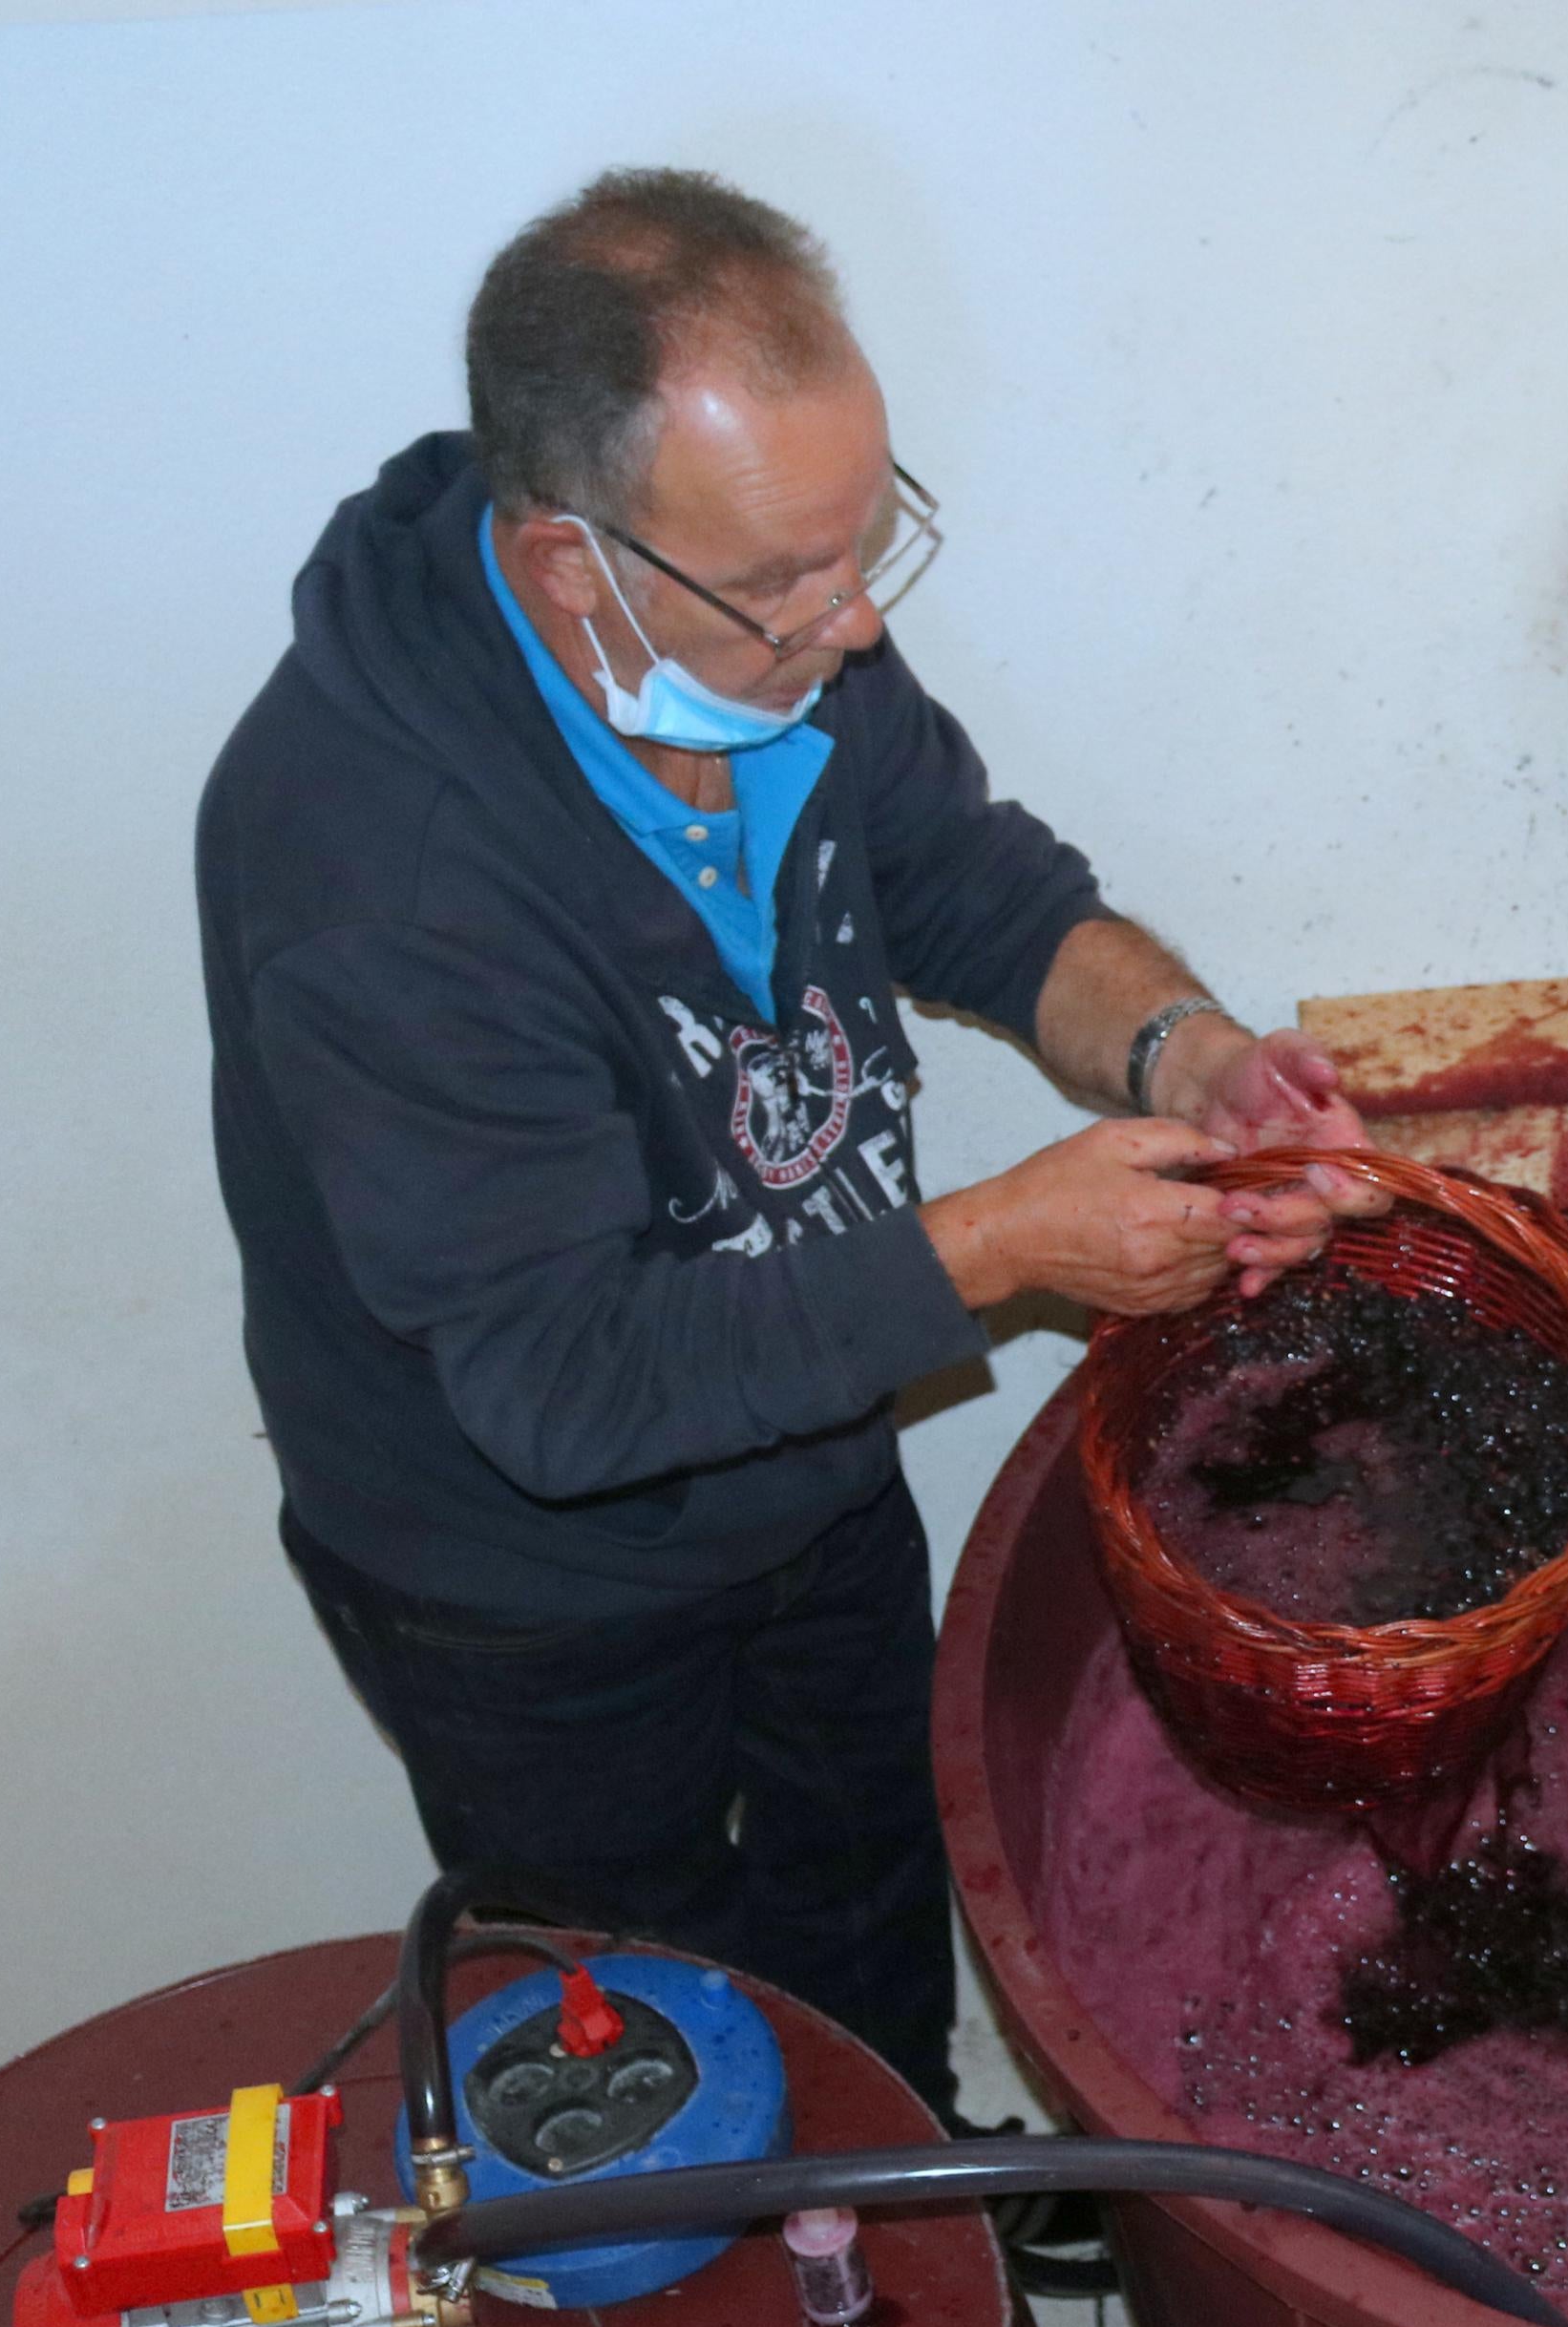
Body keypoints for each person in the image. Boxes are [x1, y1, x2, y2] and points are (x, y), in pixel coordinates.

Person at [198, 168, 1379, 2125]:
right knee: (657, 2048)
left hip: (807, 1446)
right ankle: (787, 2317)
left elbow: (982, 892)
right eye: (791, 585)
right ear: (576, 565)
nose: (850, 629)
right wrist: (1001, 1247)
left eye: (869, 548)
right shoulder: (381, 882)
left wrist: (1188, 1052)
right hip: (535, 1584)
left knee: (866, 1886)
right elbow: (561, 1389)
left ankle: (912, 2193)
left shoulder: (761, 632)